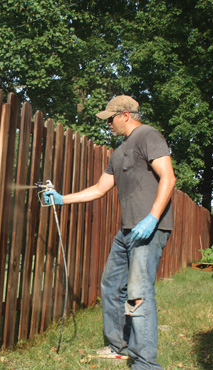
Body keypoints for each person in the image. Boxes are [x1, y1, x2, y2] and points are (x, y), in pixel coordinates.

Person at [43, 95, 176, 370]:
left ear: (126, 115)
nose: (109, 125)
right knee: (112, 285)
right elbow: (99, 189)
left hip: (149, 229)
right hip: (127, 230)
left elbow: (168, 176)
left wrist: (152, 217)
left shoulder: (148, 135)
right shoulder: (118, 152)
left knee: (138, 292)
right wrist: (62, 199)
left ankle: (146, 363)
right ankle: (119, 346)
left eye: (111, 119)